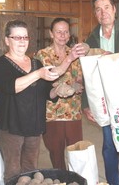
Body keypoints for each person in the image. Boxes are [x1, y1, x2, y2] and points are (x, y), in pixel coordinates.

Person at [0, 20, 62, 182]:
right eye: (17, 37)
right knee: (13, 170)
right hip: (11, 126)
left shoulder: (37, 63)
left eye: (25, 37)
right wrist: (38, 74)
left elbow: (45, 92)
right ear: (7, 40)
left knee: (30, 169)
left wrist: (58, 90)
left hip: (33, 125)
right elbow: (11, 87)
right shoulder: (0, 64)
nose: (22, 41)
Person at [82, 0, 119, 185]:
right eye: (98, 9)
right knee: (109, 146)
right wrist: (86, 104)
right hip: (104, 102)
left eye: (106, 7)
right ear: (94, 14)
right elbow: (86, 74)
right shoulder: (91, 40)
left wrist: (112, 56)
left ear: (114, 9)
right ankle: (111, 182)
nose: (103, 12)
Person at [35, 17, 89, 170]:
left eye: (66, 32)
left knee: (76, 150)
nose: (63, 35)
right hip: (53, 112)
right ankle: (61, 178)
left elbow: (78, 76)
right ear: (51, 34)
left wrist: (78, 84)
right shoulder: (43, 54)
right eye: (59, 32)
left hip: (73, 111)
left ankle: (76, 179)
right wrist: (69, 59)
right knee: (56, 151)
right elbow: (49, 78)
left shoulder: (74, 53)